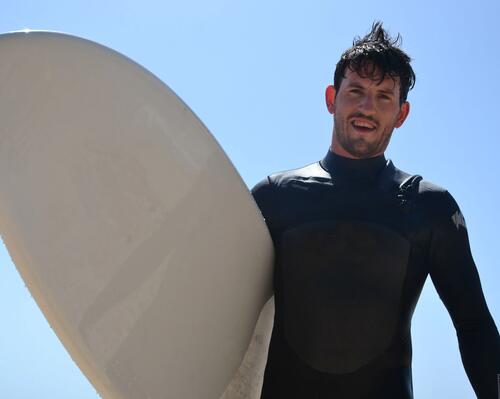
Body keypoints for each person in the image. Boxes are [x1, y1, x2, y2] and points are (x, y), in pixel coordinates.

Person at [251, 22, 500, 399]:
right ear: (331, 98)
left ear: (401, 113)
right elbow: (223, 308)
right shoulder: (275, 196)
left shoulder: (428, 206)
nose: (368, 107)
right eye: (356, 91)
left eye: (384, 97)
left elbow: (474, 325)